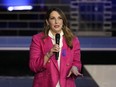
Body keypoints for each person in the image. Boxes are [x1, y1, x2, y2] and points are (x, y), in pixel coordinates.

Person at [29, 8, 82, 87]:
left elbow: (77, 62)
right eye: (53, 18)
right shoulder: (37, 39)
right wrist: (48, 54)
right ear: (47, 22)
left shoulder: (73, 40)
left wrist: (75, 68)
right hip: (45, 84)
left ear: (63, 21)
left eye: (59, 18)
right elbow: (33, 66)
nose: (56, 22)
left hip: (66, 83)